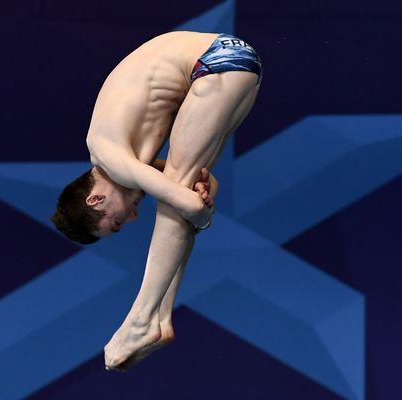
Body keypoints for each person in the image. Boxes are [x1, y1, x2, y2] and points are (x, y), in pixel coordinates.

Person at [50, 31, 262, 370]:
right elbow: (208, 186)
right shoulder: (129, 161)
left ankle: (142, 318)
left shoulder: (108, 152)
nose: (133, 218)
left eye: (117, 222)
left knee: (176, 193)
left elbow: (191, 206)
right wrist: (201, 200)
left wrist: (201, 213)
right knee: (181, 186)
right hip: (235, 63)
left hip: (213, 64)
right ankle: (160, 316)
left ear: (94, 199)